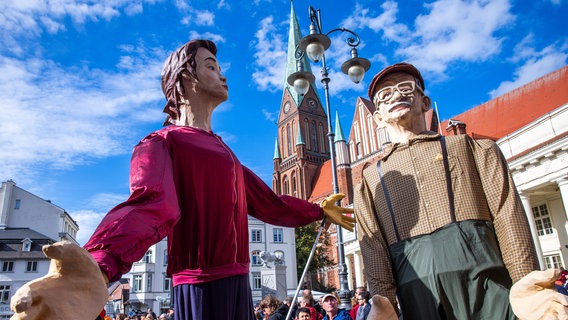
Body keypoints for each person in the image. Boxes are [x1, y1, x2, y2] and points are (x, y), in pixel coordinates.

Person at [11, 39, 355, 320]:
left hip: (237, 284)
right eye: (211, 66)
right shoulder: (162, 142)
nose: (223, 75)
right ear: (184, 79)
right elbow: (151, 204)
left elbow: (271, 204)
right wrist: (96, 266)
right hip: (200, 286)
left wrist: (317, 211)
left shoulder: (226, 153)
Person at [353, 62, 539, 319]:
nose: (396, 95)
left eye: (405, 88)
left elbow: (508, 215)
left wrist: (527, 286)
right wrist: (383, 304)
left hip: (485, 281)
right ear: (378, 118)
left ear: (425, 101)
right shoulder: (370, 180)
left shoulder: (472, 149)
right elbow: (374, 248)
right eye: (384, 95)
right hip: (420, 295)